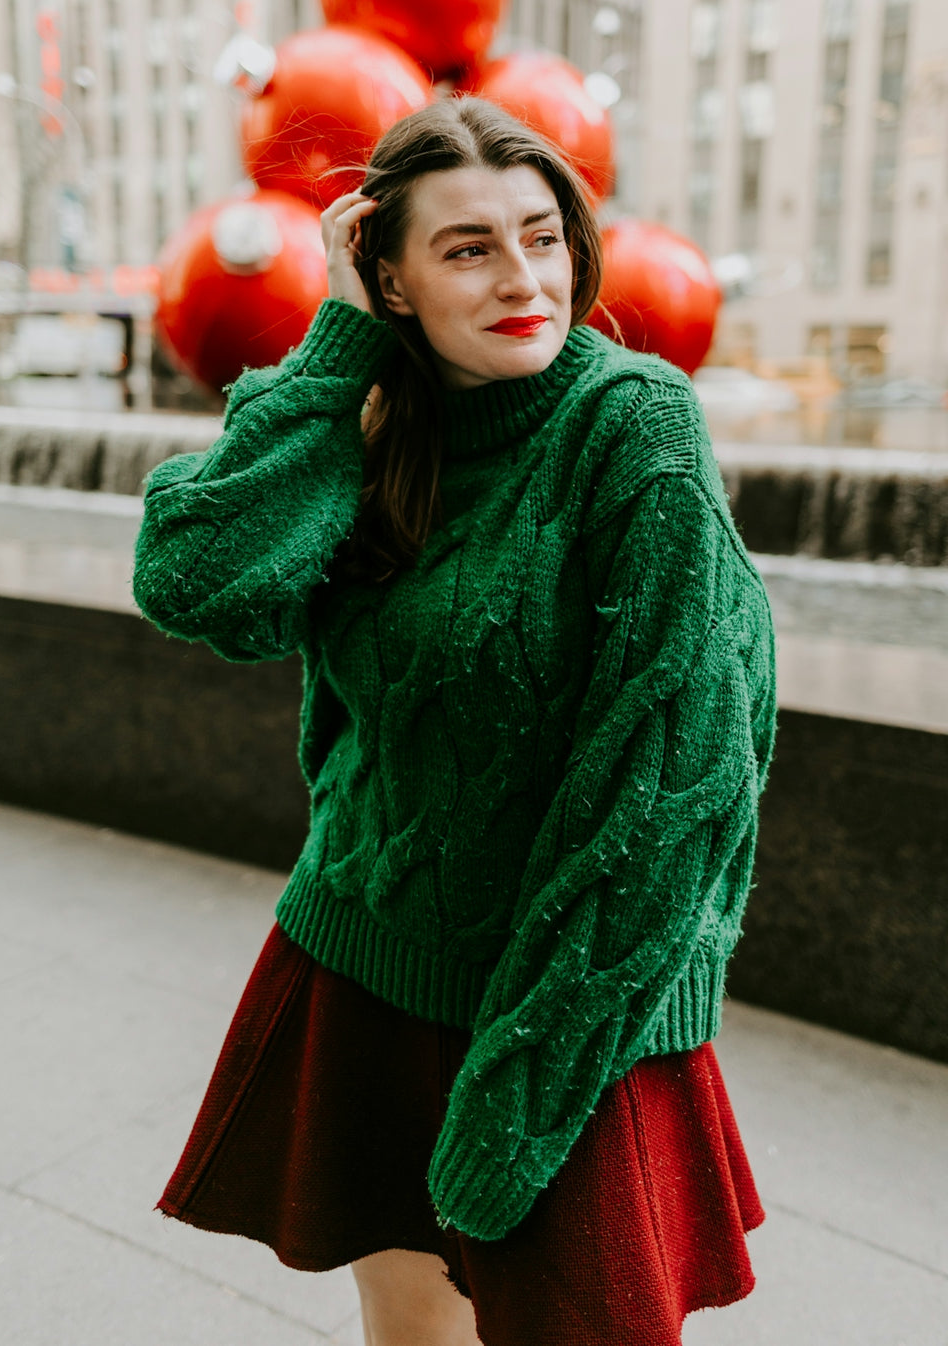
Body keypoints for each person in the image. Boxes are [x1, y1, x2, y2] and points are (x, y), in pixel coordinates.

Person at [132, 96, 777, 1346]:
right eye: (466, 248)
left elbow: (670, 793)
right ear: (391, 277)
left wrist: (519, 1093)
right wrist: (337, 355)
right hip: (369, 958)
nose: (520, 278)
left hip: (575, 1006)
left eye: (539, 237)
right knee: (408, 1326)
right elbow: (197, 582)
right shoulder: (364, 419)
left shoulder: (631, 428)